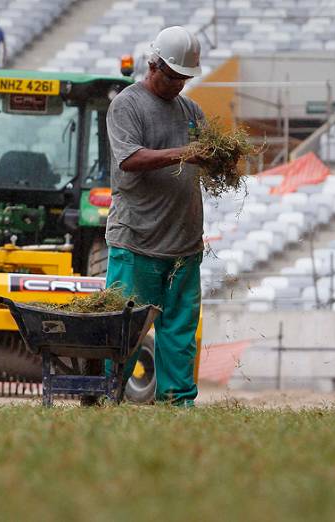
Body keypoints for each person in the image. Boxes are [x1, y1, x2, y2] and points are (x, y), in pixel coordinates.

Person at [104, 26, 205, 406]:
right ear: (154, 64)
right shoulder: (126, 105)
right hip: (138, 240)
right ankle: (108, 395)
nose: (179, 84)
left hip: (183, 242)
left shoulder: (191, 111)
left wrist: (218, 159)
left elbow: (203, 153)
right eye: (173, 75)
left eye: (184, 78)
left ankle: (177, 402)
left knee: (179, 330)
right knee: (124, 326)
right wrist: (185, 153)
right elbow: (129, 160)